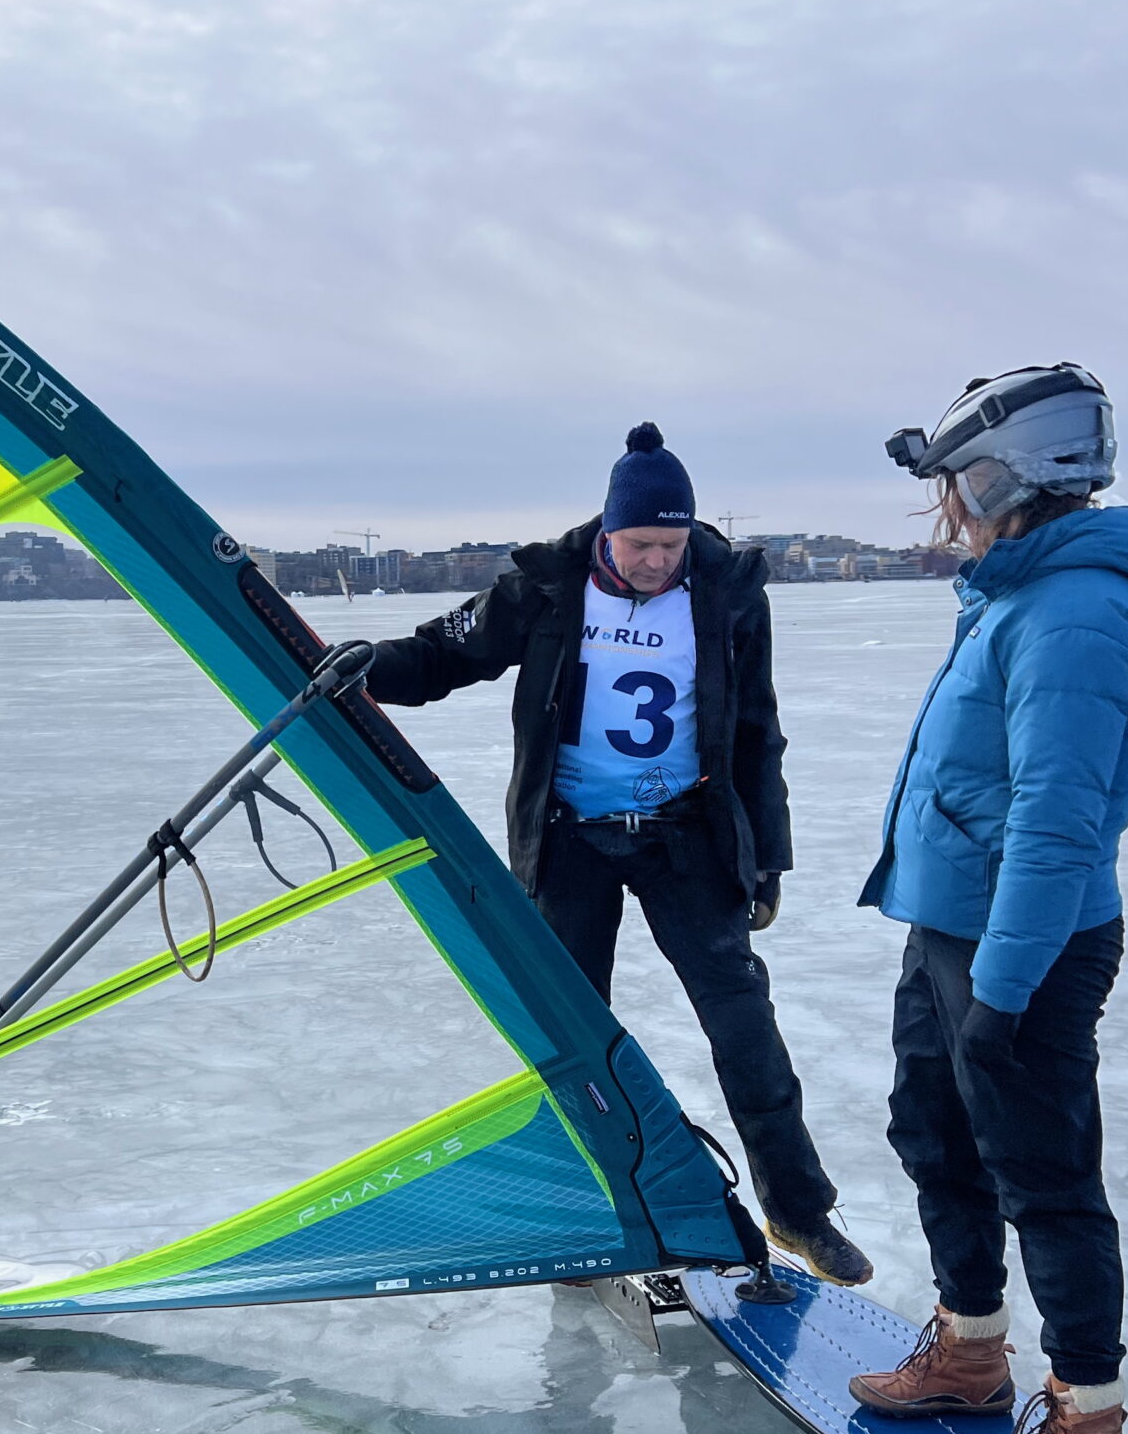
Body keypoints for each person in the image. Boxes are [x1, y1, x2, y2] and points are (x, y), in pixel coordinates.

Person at [349, 423, 871, 1293]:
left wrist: (768, 859)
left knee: (745, 1027)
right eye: (641, 544)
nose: (658, 561)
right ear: (607, 531)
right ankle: (587, 1202)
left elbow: (755, 730)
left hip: (687, 838)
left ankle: (799, 1210)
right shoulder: (547, 585)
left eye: (672, 544)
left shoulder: (730, 592)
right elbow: (450, 651)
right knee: (569, 1034)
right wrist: (369, 668)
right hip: (571, 840)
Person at [848, 364, 1128, 1434]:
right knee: (933, 1137)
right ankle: (967, 1350)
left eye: (954, 482)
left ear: (1009, 475)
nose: (944, 505)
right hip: (949, 927)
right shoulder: (1012, 593)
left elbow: (1056, 824)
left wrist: (1001, 990)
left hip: (1025, 949)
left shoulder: (1075, 614)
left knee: (1044, 1182)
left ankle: (1088, 1427)